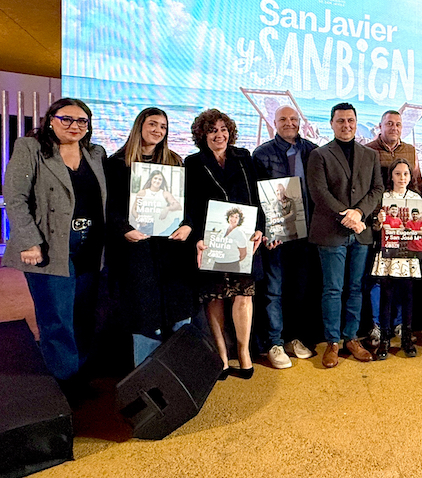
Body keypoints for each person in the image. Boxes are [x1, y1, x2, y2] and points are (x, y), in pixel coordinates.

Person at [4, 98, 106, 391]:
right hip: (48, 248)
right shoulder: (31, 148)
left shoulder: (95, 153)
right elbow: (16, 198)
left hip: (90, 246)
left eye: (82, 121)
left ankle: (80, 370)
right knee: (56, 317)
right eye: (67, 119)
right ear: (51, 120)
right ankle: (65, 382)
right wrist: (29, 241)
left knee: (83, 314)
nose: (75, 126)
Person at [105, 107, 194, 367]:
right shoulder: (117, 163)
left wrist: (188, 225)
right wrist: (124, 229)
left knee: (178, 310)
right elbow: (109, 206)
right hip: (137, 249)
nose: (158, 130)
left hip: (171, 249)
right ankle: (146, 375)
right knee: (144, 313)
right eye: (153, 124)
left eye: (163, 126)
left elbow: (186, 204)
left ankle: (180, 370)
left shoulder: (174, 162)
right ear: (139, 126)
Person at [185, 109, 264, 380]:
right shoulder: (193, 163)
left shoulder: (243, 158)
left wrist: (260, 228)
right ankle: (221, 355)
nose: (219, 135)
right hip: (212, 240)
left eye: (223, 129)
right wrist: (196, 238)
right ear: (202, 135)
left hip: (244, 238)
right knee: (215, 296)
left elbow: (256, 198)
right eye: (212, 130)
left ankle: (243, 353)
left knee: (243, 295)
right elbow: (190, 206)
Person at [307, 102, 383, 368]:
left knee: (356, 288)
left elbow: (377, 189)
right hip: (331, 232)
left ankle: (351, 338)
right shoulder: (319, 155)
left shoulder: (370, 155)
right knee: (332, 289)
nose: (346, 125)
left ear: (356, 122)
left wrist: (359, 213)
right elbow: (319, 193)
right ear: (331, 124)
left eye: (350, 120)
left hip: (361, 232)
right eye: (340, 121)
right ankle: (332, 342)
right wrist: (347, 217)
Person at [252, 104, 318, 369]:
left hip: (305, 234)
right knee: (273, 291)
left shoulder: (312, 151)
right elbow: (257, 197)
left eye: (293, 118)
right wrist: (268, 231)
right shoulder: (261, 154)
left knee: (299, 290)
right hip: (275, 237)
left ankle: (292, 338)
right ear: (274, 122)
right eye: (283, 119)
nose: (289, 123)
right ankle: (274, 342)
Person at [365, 110, 422, 345]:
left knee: (403, 279)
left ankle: (399, 324)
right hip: (379, 228)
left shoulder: (410, 150)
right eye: (389, 123)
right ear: (380, 126)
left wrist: (420, 214)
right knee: (379, 280)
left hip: (406, 233)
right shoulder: (368, 150)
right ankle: (378, 326)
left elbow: (417, 184)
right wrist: (376, 219)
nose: (394, 128)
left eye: (398, 124)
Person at [372, 158, 422, 359]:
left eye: (405, 174)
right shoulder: (384, 197)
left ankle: (407, 338)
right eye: (397, 173)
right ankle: (385, 340)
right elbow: (375, 227)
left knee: (407, 296)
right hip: (389, 252)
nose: (402, 178)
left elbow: (421, 229)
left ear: (410, 176)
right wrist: (379, 221)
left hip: (408, 253)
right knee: (386, 295)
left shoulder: (415, 198)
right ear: (391, 176)